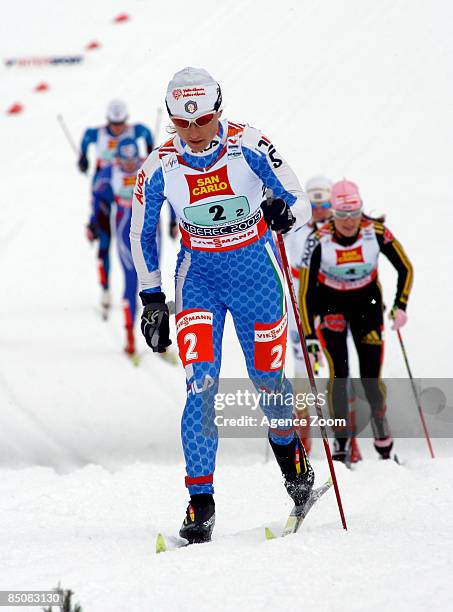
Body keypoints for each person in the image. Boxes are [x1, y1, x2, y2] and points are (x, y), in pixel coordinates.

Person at [130, 67, 314, 543]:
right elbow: (141, 233)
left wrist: (284, 210)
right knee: (201, 386)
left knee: (266, 377)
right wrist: (151, 298)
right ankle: (200, 503)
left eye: (203, 120)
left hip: (256, 270)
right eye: (182, 124)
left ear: (218, 111)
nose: (193, 133)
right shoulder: (158, 166)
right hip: (200, 278)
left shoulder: (248, 144)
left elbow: (295, 192)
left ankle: (295, 467)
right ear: (170, 119)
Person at [299, 179, 413, 462]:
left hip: (367, 307)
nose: (349, 222)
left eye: (354, 214)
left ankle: (381, 431)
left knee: (370, 379)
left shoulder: (375, 232)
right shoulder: (318, 239)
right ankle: (340, 443)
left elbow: (405, 268)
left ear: (361, 211)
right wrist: (309, 333)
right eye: (341, 215)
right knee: (339, 376)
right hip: (331, 308)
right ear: (333, 214)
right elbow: (305, 290)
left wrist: (400, 306)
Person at [79, 100, 154, 317]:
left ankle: (139, 288)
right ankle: (105, 289)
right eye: (113, 123)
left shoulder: (135, 130)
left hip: (128, 187)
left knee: (133, 236)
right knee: (104, 237)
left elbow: (148, 134)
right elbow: (85, 139)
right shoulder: (98, 133)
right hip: (104, 187)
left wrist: (150, 152)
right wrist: (83, 158)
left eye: (120, 123)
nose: (117, 127)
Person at [283, 175, 333, 453]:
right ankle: (302, 427)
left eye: (325, 202)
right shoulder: (297, 229)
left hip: (331, 298)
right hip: (299, 300)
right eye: (315, 203)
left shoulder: (339, 230)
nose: (321, 209)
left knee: (339, 359)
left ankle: (344, 431)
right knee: (302, 363)